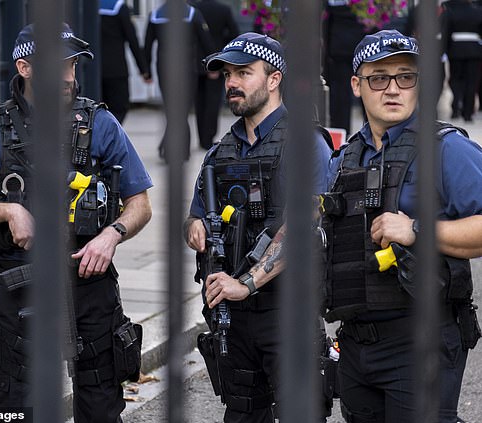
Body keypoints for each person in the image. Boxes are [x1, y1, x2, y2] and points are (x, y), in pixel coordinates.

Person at [0, 23, 153, 422]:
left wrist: (112, 235)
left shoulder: (99, 123)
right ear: (25, 67)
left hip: (90, 285)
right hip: (22, 292)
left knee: (102, 408)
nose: (69, 77)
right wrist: (8, 210)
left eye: (72, 66)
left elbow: (139, 204)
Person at [321, 29, 482, 422]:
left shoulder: (447, 149)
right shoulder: (343, 159)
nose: (393, 88)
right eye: (379, 78)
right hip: (357, 343)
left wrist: (417, 231)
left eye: (405, 77)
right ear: (357, 85)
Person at [184, 32, 333, 421]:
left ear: (274, 79)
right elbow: (195, 215)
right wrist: (196, 227)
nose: (231, 82)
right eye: (228, 74)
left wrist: (247, 282)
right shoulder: (221, 151)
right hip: (232, 320)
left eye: (243, 73)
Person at [143, 0, 214, 160]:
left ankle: (169, 148)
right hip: (187, 69)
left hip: (164, 68)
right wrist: (213, 65)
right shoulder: (192, 13)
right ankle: (178, 151)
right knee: (182, 110)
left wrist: (146, 71)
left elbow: (147, 45)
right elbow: (206, 41)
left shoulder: (155, 15)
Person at [189, 0, 239, 150]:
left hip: (195, 60)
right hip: (217, 59)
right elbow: (234, 33)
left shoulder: (193, 9)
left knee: (199, 102)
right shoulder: (224, 9)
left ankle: (200, 136)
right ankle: (208, 137)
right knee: (212, 101)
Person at [99, 0, 150, 124]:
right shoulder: (119, 7)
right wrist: (144, 69)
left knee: (95, 109)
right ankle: (112, 135)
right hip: (116, 69)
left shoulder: (86, 7)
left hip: (91, 68)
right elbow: (132, 39)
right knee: (119, 108)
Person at [322, 0, 367, 135]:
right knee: (365, 90)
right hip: (351, 47)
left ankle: (344, 135)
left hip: (340, 46)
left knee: (342, 97)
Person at [440, 0, 482, 121]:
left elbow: (446, 32)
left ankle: (455, 109)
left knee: (455, 80)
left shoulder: (451, 12)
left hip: (455, 50)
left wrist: (444, 50)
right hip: (474, 51)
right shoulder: (477, 12)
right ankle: (467, 113)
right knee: (471, 82)